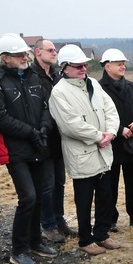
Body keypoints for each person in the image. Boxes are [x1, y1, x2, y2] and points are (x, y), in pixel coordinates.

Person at [0, 33, 59, 264]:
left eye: (25, 53)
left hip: (39, 145)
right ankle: (19, 249)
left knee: (40, 196)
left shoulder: (33, 76)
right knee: (28, 197)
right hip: (16, 149)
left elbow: (47, 105)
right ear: (5, 58)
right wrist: (29, 132)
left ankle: (35, 241)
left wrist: (44, 128)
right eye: (19, 55)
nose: (24, 57)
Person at [49, 45, 121, 255]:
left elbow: (110, 110)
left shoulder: (94, 85)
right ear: (64, 67)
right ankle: (85, 239)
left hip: (103, 151)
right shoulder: (59, 92)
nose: (83, 69)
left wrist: (111, 133)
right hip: (82, 154)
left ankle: (102, 234)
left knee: (105, 196)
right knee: (84, 199)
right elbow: (70, 125)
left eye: (85, 65)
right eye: (78, 65)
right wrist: (99, 136)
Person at [99, 49, 133, 232]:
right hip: (111, 144)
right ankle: (110, 219)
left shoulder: (132, 86)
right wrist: (119, 129)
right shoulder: (98, 88)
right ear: (107, 66)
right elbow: (99, 116)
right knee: (110, 183)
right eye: (119, 63)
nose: (123, 66)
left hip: (132, 143)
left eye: (124, 63)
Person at [30, 38, 76, 242]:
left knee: (60, 182)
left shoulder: (57, 76)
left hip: (59, 137)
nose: (54, 53)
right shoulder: (32, 76)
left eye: (55, 50)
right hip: (43, 136)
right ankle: (47, 225)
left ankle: (59, 221)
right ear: (38, 52)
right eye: (50, 50)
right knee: (46, 184)